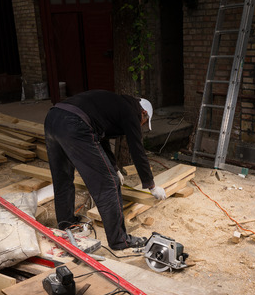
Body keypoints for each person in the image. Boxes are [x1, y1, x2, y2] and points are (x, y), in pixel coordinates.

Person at [44, 89, 166, 250]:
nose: (141, 125)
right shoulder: (132, 112)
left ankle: (66, 226)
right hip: (75, 123)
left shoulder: (115, 105)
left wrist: (114, 168)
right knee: (109, 184)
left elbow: (101, 138)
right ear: (143, 112)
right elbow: (137, 149)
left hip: (53, 118)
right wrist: (151, 185)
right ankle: (120, 240)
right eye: (144, 122)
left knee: (63, 178)